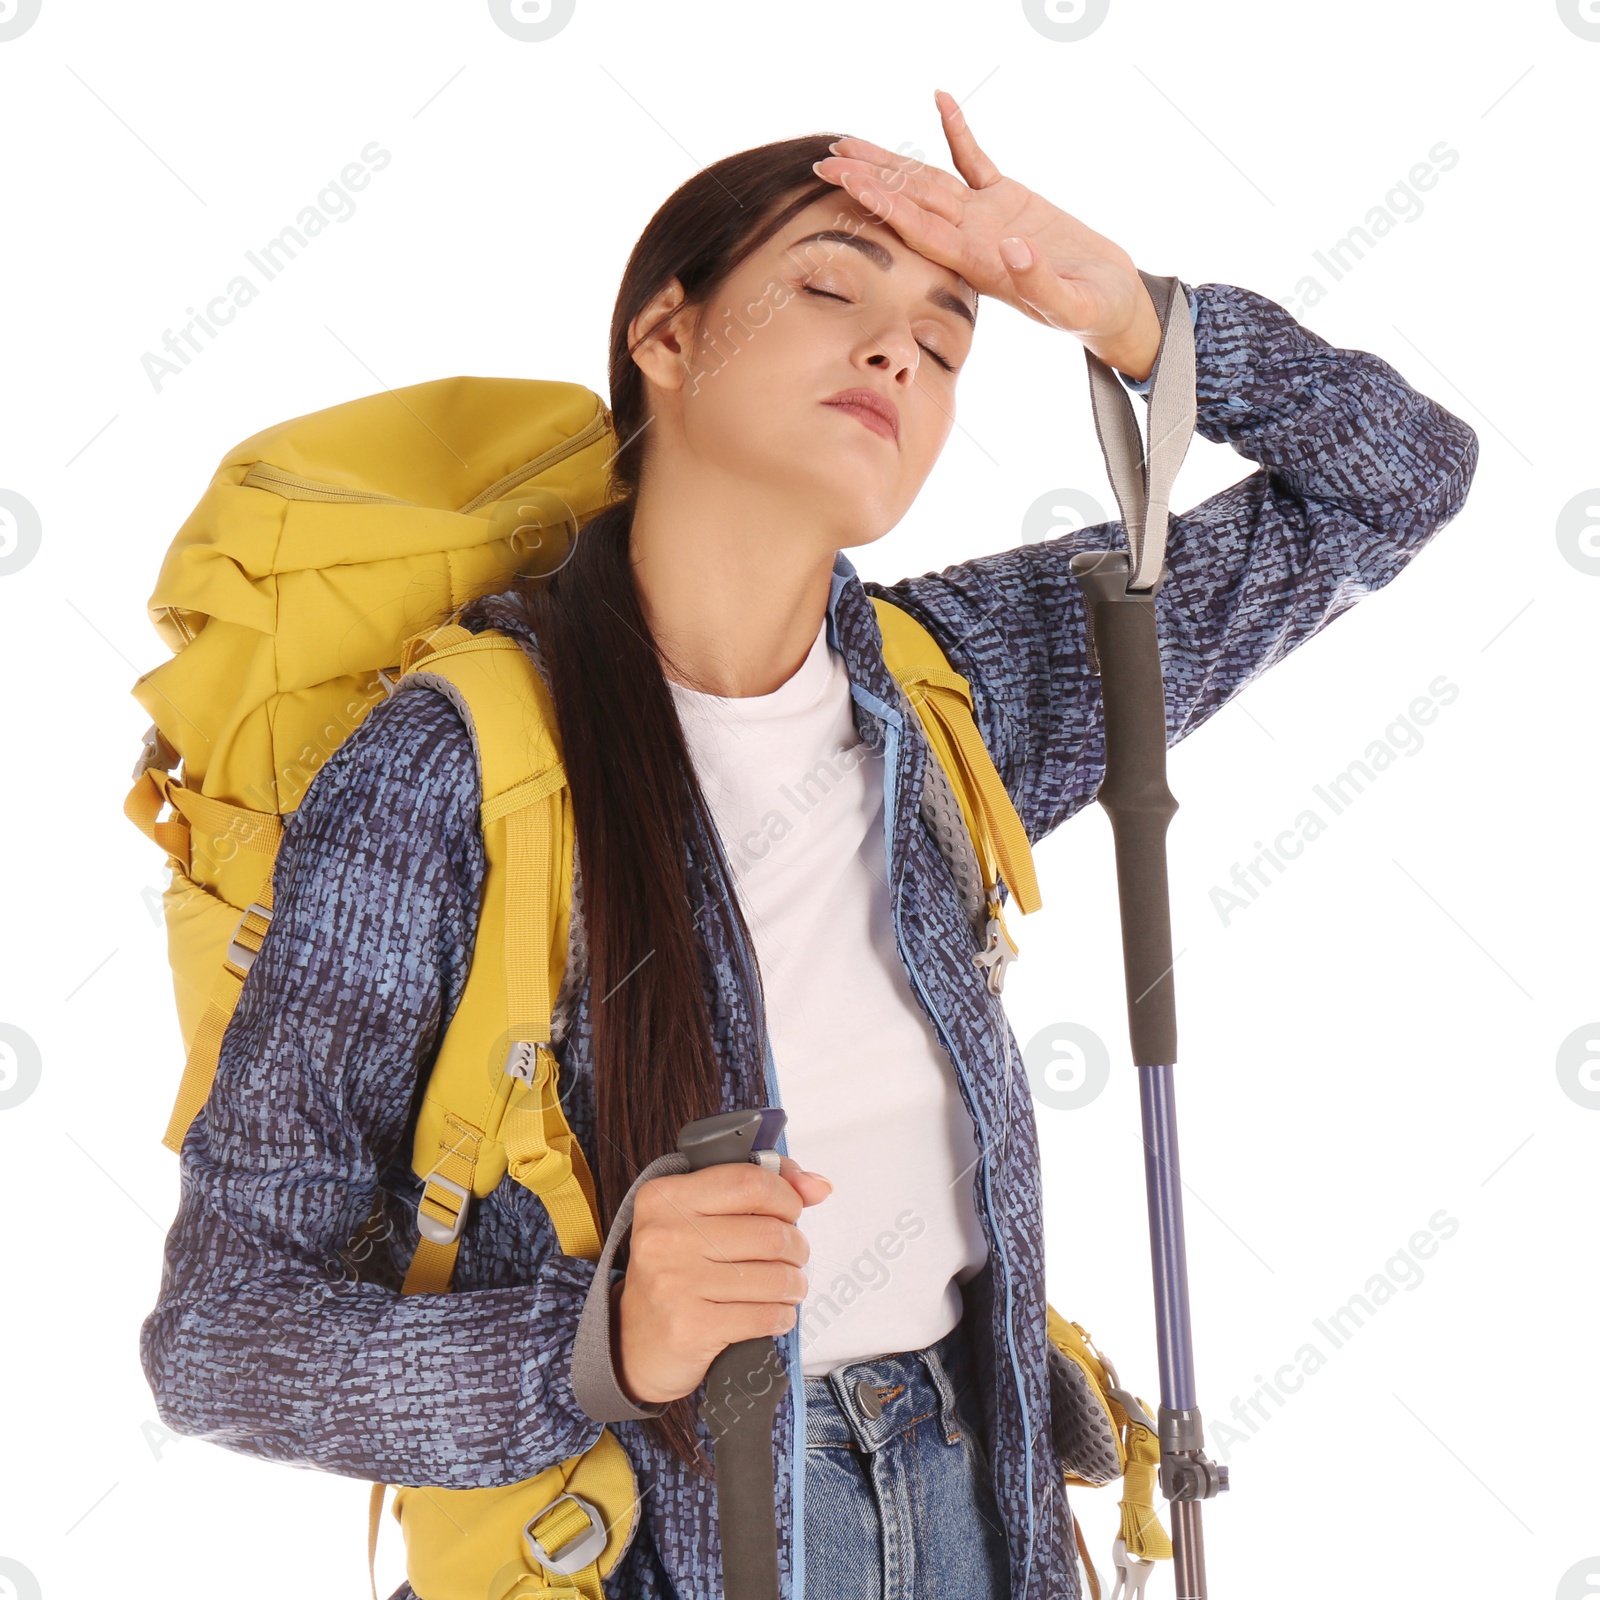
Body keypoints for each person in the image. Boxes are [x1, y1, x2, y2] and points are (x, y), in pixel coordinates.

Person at [140, 89, 1479, 1600]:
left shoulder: (952, 688)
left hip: (985, 1499)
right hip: (653, 1548)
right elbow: (221, 1338)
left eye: (951, 335)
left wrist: (1128, 314)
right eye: (834, 285)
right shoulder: (449, 771)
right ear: (665, 334)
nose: (900, 347)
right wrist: (597, 1343)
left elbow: (1398, 476)